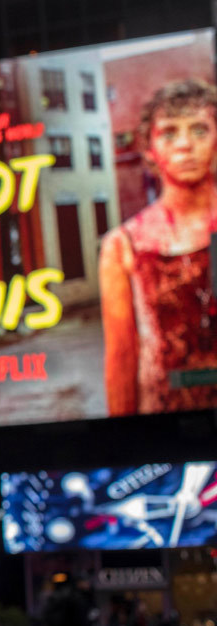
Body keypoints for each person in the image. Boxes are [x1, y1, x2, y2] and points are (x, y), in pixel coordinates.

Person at [100, 79, 217, 416]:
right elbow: (122, 360)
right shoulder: (124, 245)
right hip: (163, 421)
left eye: (199, 130)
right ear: (150, 149)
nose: (185, 145)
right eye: (169, 133)